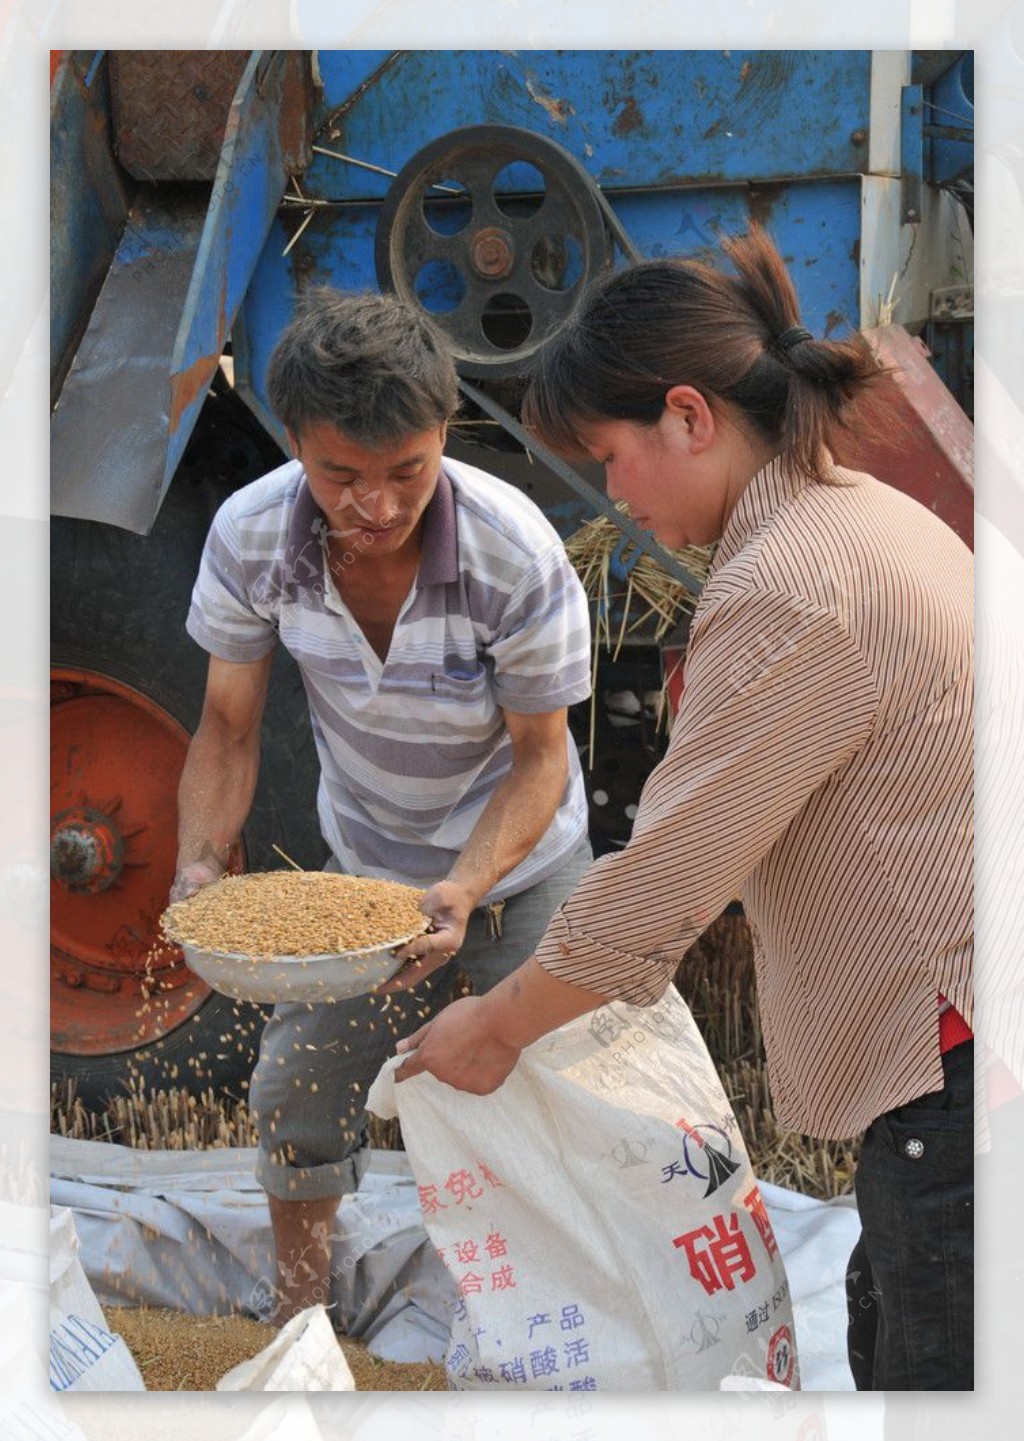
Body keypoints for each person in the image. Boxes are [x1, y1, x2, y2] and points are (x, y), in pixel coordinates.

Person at [394, 226, 974, 1392]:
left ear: (688, 416)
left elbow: (661, 887)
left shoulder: (792, 590)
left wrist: (496, 1024)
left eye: (609, 456)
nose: (608, 492)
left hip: (962, 1064)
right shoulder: (860, 512)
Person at [173, 289, 593, 1322]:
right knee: (293, 1091)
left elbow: (542, 758)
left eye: (406, 471)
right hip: (363, 882)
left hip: (522, 874)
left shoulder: (514, 552)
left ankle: (560, 1321)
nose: (375, 504)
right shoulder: (253, 537)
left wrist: (462, 887)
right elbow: (227, 727)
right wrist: (199, 861)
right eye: (339, 476)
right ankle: (301, 1314)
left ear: (445, 431)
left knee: (556, 1110)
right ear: (294, 444)